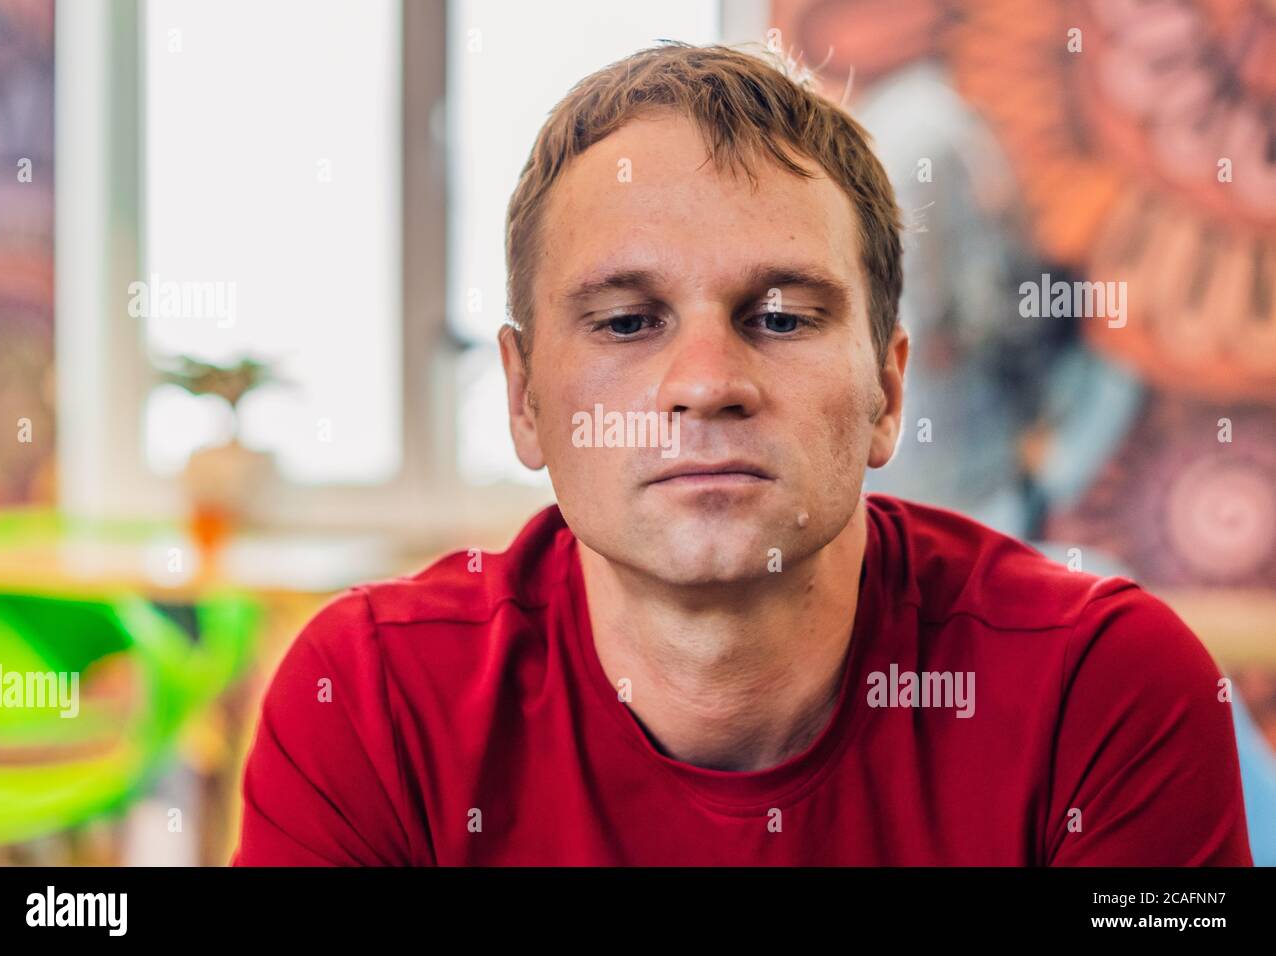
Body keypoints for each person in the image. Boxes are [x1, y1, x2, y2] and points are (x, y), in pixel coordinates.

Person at [231, 42, 1252, 866]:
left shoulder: (1103, 689)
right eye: (628, 322)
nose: (706, 380)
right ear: (524, 397)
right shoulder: (370, 701)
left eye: (780, 315)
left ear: (888, 390)